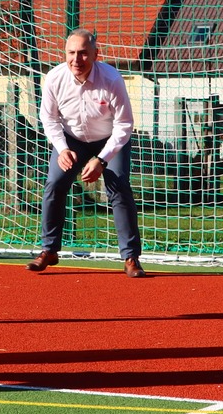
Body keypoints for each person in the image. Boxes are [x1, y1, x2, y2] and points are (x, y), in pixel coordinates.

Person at [29, 28, 146, 278]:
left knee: (118, 187)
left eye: (83, 53)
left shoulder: (112, 79)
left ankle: (130, 257)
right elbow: (48, 118)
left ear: (95, 54)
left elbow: (124, 125)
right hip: (72, 141)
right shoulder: (54, 78)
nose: (76, 59)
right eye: (71, 53)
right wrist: (62, 149)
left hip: (110, 140)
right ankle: (49, 250)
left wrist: (102, 160)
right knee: (54, 184)